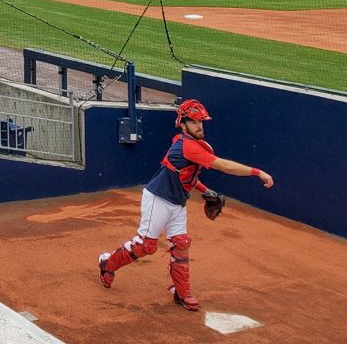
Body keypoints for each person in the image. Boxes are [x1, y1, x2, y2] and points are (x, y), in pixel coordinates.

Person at [97, 99, 274, 311]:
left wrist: (205, 190)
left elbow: (187, 177)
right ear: (183, 124)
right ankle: (107, 265)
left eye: (202, 122)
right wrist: (257, 172)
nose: (200, 126)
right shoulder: (188, 146)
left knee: (181, 245)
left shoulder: (197, 146)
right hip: (158, 199)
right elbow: (223, 166)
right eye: (195, 122)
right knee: (145, 246)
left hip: (177, 203)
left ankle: (182, 293)